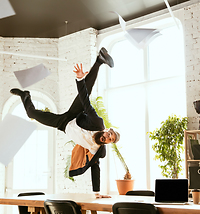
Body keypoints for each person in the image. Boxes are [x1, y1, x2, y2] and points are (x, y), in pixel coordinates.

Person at [10, 47, 119, 198]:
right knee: (86, 93)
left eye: (110, 140)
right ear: (107, 130)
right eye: (109, 134)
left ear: (108, 142)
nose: (107, 138)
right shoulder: (97, 123)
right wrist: (80, 79)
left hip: (63, 124)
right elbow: (85, 99)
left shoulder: (99, 150)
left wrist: (97, 193)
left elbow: (96, 168)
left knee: (31, 113)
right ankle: (99, 61)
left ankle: (25, 95)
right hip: (75, 116)